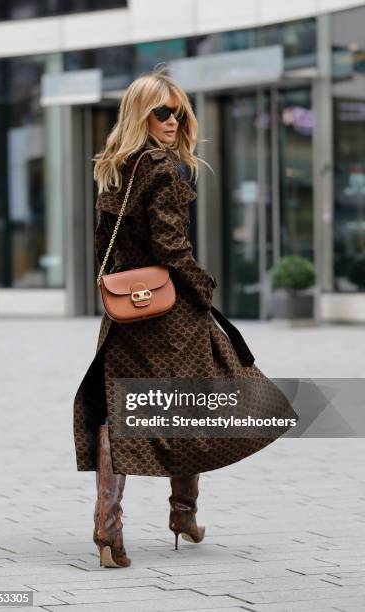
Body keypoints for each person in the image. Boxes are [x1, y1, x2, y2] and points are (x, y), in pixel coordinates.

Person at [73, 66, 294, 568]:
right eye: (162, 112)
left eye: (179, 112)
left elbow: (102, 252)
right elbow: (173, 249)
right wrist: (204, 285)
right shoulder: (163, 170)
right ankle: (182, 512)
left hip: (125, 313)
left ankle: (109, 527)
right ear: (141, 115)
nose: (173, 121)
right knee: (196, 402)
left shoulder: (116, 168)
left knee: (120, 412)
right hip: (170, 313)